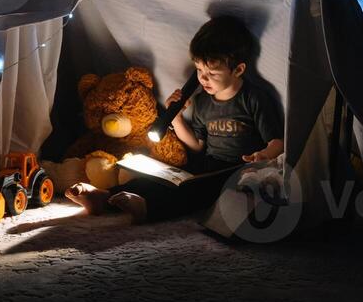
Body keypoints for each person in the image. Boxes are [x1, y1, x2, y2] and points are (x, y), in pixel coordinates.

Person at [65, 15, 284, 222]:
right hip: (207, 168)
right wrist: (176, 118)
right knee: (158, 181)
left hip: (238, 172)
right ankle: (105, 196)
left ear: (238, 70)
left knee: (191, 193)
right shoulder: (203, 101)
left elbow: (277, 141)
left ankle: (148, 210)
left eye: (213, 74)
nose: (203, 78)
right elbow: (197, 146)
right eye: (199, 70)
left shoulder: (254, 98)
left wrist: (263, 155)